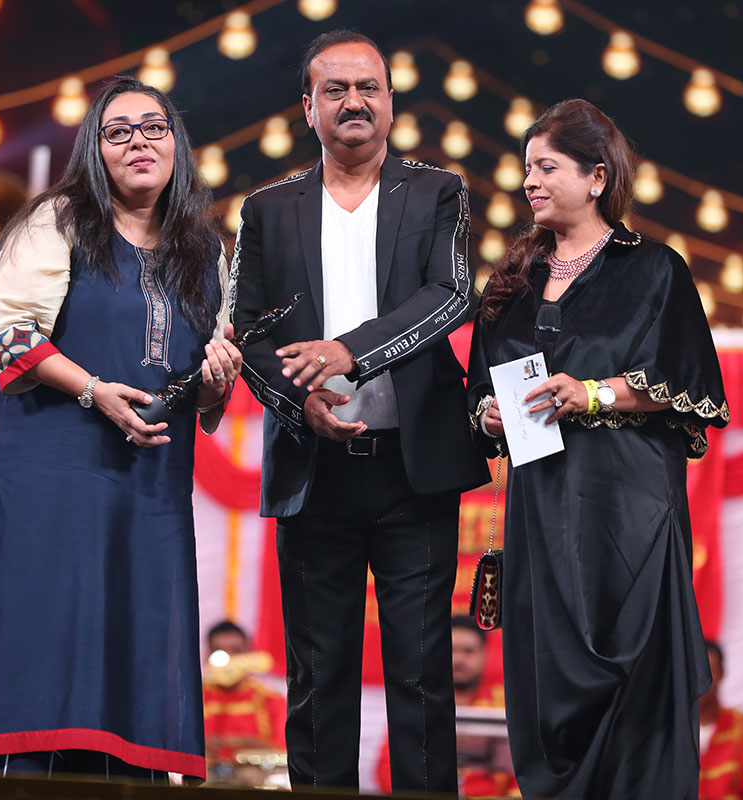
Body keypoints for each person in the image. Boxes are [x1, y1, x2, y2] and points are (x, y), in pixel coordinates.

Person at [0, 76, 242, 780]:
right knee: (35, 654)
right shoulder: (58, 220)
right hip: (50, 478)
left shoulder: (205, 253)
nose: (139, 142)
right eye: (118, 132)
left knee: (133, 665)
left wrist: (218, 379)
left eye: (154, 127)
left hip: (148, 492)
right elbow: (7, 334)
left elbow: (204, 387)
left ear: (177, 143)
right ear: (95, 151)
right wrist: (93, 391)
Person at [230, 29, 488, 792]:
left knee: (421, 674)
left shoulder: (438, 191)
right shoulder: (266, 208)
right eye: (335, 89)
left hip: (413, 471)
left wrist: (349, 353)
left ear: (391, 104)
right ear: (307, 107)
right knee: (318, 676)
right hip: (315, 471)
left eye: (368, 87)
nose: (354, 101)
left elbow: (450, 296)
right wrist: (297, 401)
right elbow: (248, 331)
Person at [466, 98, 729, 799]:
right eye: (526, 168)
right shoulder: (511, 281)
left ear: (597, 177)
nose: (529, 181)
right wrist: (488, 414)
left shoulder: (655, 270)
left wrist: (594, 393)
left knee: (634, 674)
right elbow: (478, 387)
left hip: (627, 506)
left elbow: (693, 386)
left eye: (547, 167)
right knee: (545, 678)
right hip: (540, 505)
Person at [375, 616, 517, 796]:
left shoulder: (506, 705)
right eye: (452, 650)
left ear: (484, 654)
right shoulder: (416, 702)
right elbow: (387, 769)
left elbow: (525, 768)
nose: (459, 659)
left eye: (468, 651)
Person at [201, 621, 287, 763]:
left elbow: (285, 756)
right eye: (219, 652)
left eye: (236, 651)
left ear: (249, 652)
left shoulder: (271, 701)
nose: (228, 660)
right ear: (207, 654)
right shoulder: (192, 701)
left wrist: (252, 746)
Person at [698, 641, 743, 800]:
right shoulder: (666, 734)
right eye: (692, 672)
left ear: (721, 673)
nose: (699, 682)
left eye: (707, 672)